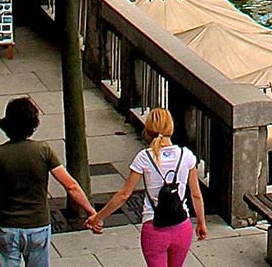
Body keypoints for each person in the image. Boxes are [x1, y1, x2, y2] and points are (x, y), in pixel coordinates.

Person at [0, 97, 97, 267]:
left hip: (7, 225)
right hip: (38, 225)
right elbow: (71, 186)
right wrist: (91, 211)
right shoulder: (43, 150)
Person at [87, 107, 207, 267]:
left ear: (148, 129)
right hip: (182, 226)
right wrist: (201, 223)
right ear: (171, 128)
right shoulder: (186, 156)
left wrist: (98, 217)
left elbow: (124, 195)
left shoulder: (144, 158)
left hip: (154, 228)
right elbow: (196, 195)